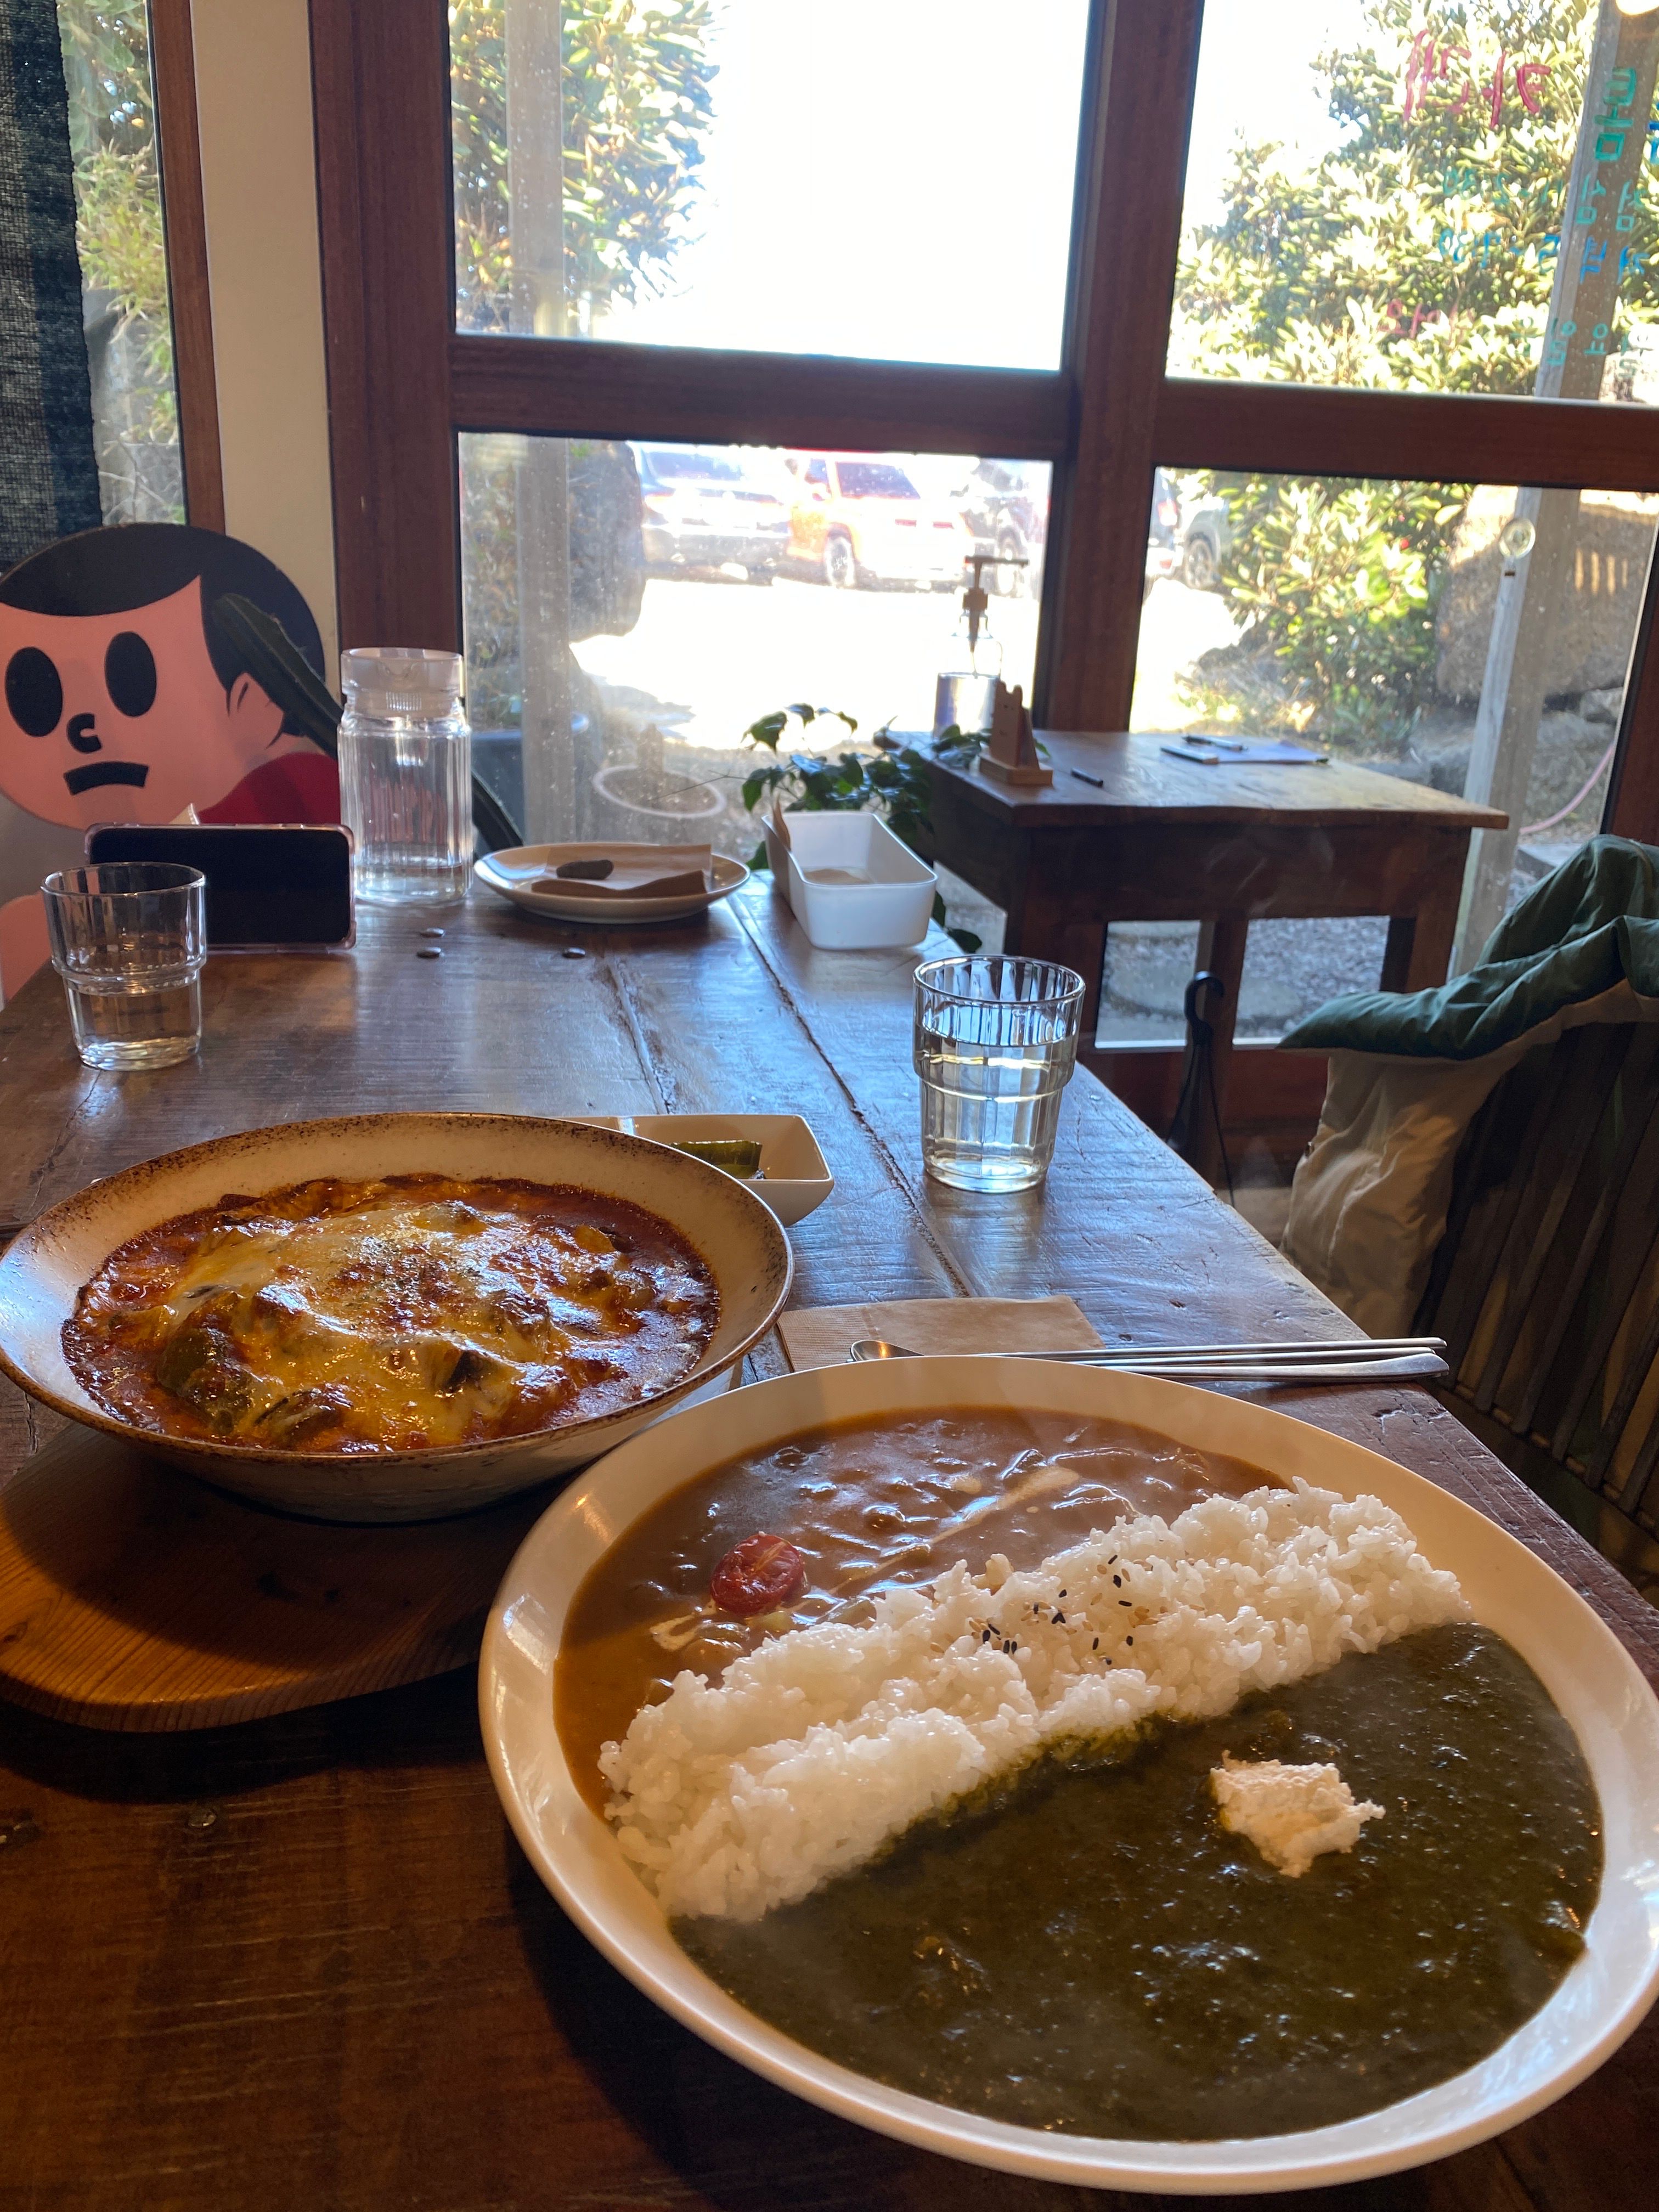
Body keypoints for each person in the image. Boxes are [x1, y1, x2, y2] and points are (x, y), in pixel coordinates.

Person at [0, 524, 340, 997]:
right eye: (37, 698)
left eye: (133, 681)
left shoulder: (312, 794)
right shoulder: (43, 917)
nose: (85, 727)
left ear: (254, 699)